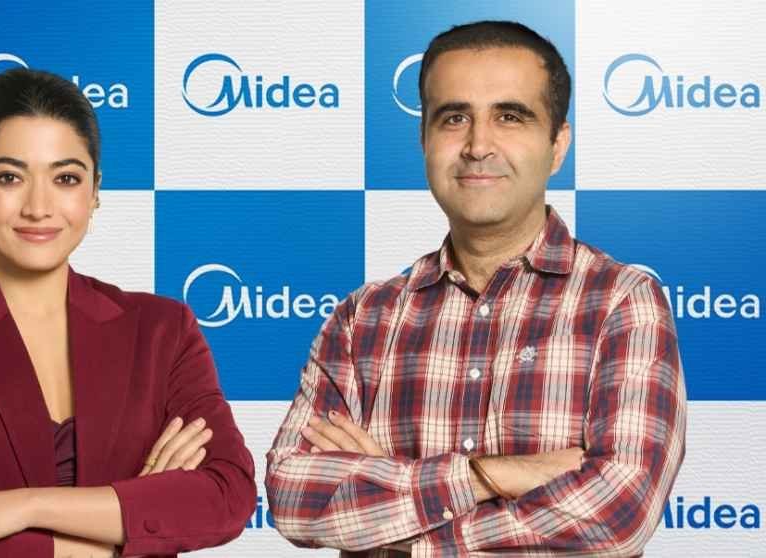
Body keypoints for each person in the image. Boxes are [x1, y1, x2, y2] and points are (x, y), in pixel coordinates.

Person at [265, 20, 686, 557]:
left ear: (558, 145)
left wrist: (400, 520)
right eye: (454, 118)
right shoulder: (364, 317)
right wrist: (490, 476)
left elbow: (618, 513)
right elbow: (295, 496)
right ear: (424, 141)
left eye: (510, 116)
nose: (478, 145)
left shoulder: (621, 302)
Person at [0, 68, 256, 558]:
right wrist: (128, 530)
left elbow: (227, 496)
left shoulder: (162, 329)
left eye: (66, 178)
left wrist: (23, 506)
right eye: (9, 177)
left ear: (95, 191)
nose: (39, 207)